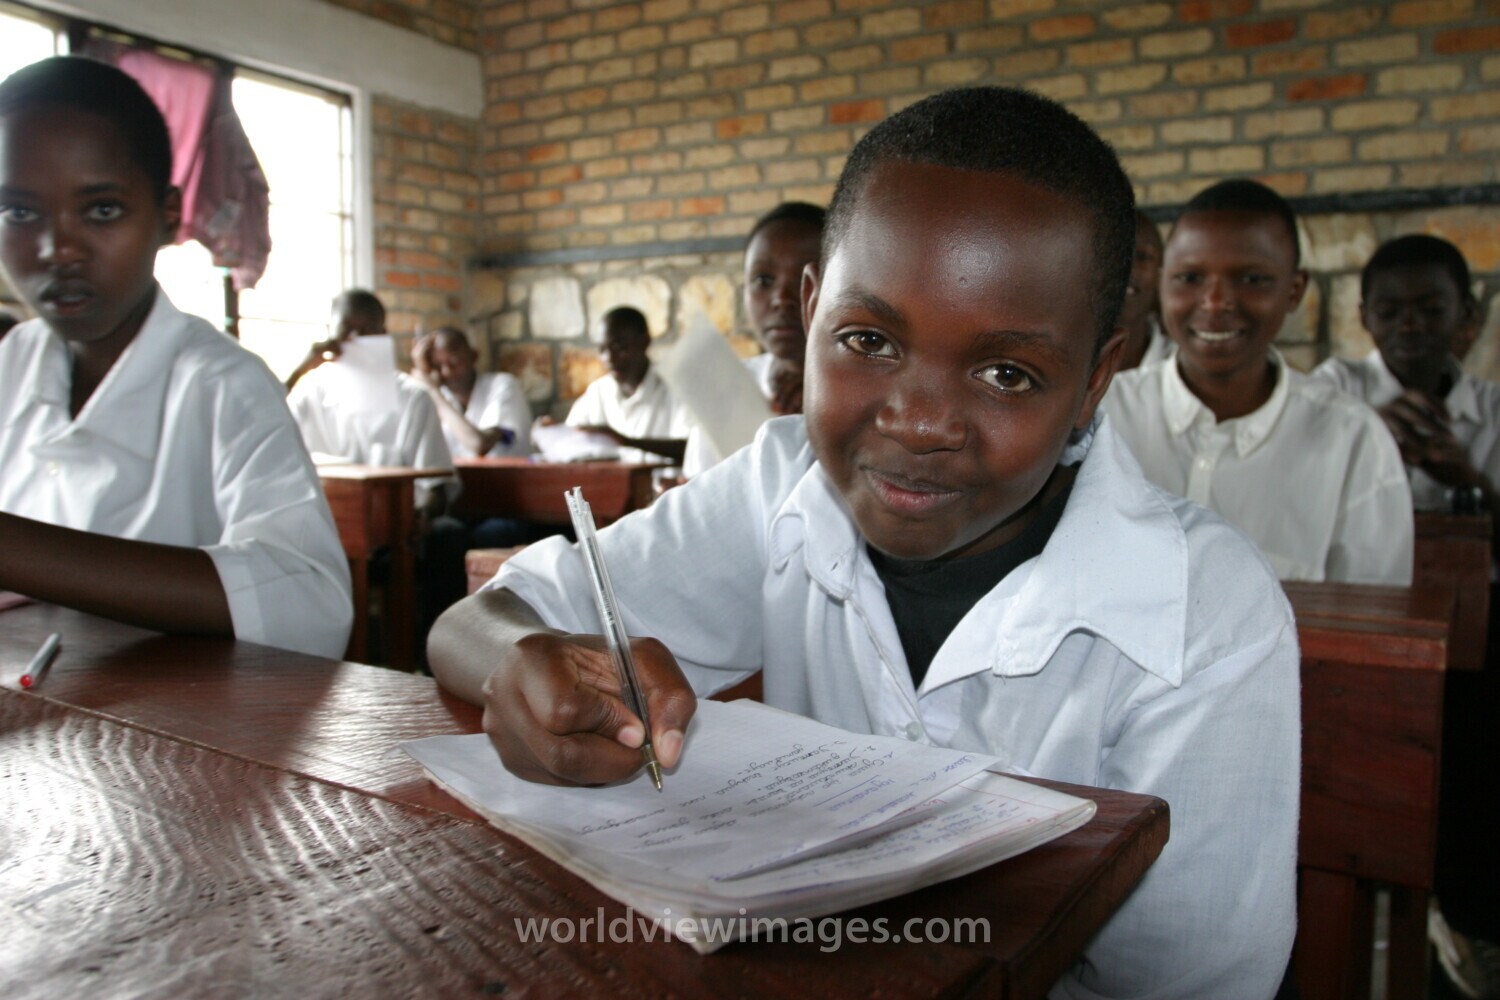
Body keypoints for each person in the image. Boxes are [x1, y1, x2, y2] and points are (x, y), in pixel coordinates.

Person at [431, 87, 1299, 999]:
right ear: (812, 314)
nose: (919, 422)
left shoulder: (1203, 617)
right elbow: (475, 621)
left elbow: (1187, 985)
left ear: (1094, 379)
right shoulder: (781, 486)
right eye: (868, 340)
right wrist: (524, 667)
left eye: (1007, 373)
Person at [0, 56, 351, 659]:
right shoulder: (12, 361)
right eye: (20, 213)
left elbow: (311, 602)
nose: (59, 249)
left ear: (167, 216)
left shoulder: (225, 384)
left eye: (102, 209)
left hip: (163, 715)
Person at [1313, 233, 1500, 999]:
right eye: (1391, 311)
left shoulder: (1489, 408)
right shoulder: (1337, 390)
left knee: (1465, 776)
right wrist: (1370, 444)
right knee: (1364, 785)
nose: (1411, 326)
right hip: (1363, 629)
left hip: (1473, 637)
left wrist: (1468, 478)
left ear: (1467, 318)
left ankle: (1463, 919)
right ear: (1364, 317)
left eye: (1431, 309)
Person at [1104, 178, 1413, 585]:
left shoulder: (1353, 442)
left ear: (1294, 291)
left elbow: (1373, 613)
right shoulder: (1104, 415)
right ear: (1163, 283)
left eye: (1252, 280)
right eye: (1190, 278)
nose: (1215, 302)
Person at [285, 289, 463, 651]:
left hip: (394, 532)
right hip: (324, 530)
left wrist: (420, 517)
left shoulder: (412, 397)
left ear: (382, 335)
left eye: (367, 331)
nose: (355, 340)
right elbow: (266, 427)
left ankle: (429, 655)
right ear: (330, 333)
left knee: (446, 537)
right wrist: (304, 366)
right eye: (346, 330)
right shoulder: (309, 392)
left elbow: (436, 485)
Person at [682, 201, 825, 477]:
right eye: (763, 280)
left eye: (804, 280)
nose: (782, 299)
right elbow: (701, 491)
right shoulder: (727, 392)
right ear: (744, 291)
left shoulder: (871, 390)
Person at [566, 305, 693, 464]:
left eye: (619, 348)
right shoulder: (599, 391)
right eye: (602, 349)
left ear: (644, 342)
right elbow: (570, 440)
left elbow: (692, 449)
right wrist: (553, 432)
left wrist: (626, 441)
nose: (609, 358)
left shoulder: (675, 389)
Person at [409, 325, 532, 460]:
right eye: (438, 365)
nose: (446, 372)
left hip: (509, 474)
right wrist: (423, 373)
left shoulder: (502, 385)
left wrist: (433, 392)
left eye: (454, 361)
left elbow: (479, 444)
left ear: (473, 356)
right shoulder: (444, 396)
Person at [1115, 209, 1169, 371]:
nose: (1129, 269)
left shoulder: (1184, 363)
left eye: (1143, 256)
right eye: (1115, 254)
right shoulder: (1060, 357)